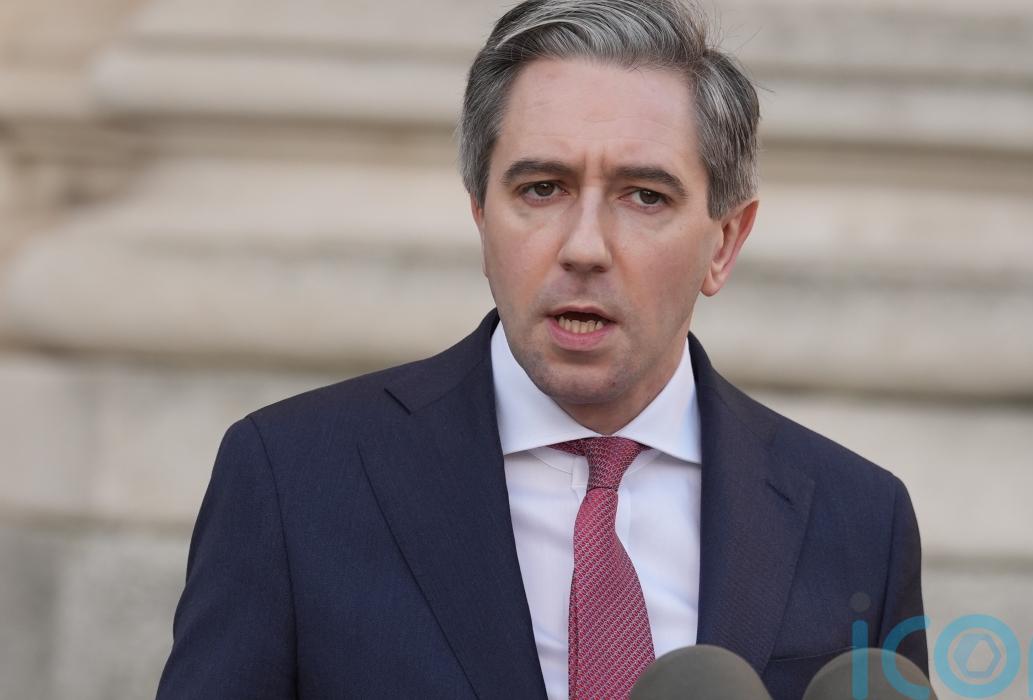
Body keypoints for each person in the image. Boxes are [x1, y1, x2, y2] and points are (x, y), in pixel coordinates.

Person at [156, 1, 927, 698]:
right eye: (542, 189)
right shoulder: (294, 480)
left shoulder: (859, 520)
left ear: (723, 243)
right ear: (480, 216)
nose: (584, 247)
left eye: (645, 196)